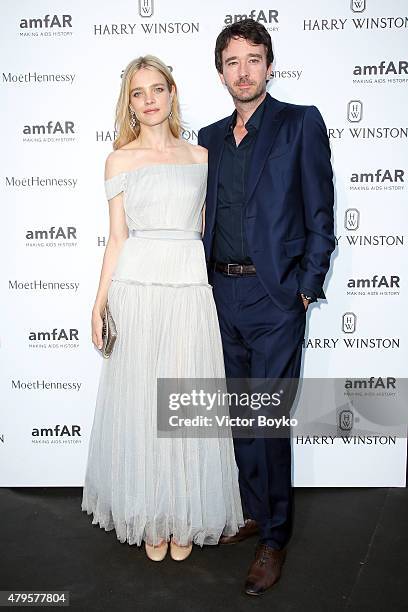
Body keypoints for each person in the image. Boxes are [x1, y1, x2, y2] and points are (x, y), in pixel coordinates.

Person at [81, 55, 244, 562]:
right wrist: (99, 301)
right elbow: (116, 238)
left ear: (172, 93)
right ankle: (151, 514)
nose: (149, 99)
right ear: (129, 104)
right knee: (141, 405)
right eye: (138, 92)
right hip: (137, 288)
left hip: (189, 288)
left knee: (184, 404)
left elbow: (208, 225)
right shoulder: (119, 160)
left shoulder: (201, 156)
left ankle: (183, 515)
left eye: (157, 88)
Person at [198, 19, 335, 595]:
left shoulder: (299, 123)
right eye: (233, 61)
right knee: (240, 419)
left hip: (275, 297)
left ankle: (275, 537)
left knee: (267, 421)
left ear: (270, 65)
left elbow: (321, 216)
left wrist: (304, 289)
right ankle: (254, 512)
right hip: (218, 295)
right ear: (221, 71)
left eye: (254, 59)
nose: (244, 71)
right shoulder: (204, 139)